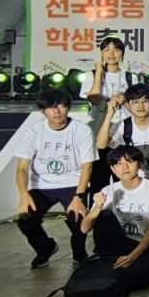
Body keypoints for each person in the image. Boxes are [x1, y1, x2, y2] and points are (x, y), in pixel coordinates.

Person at [96, 83, 149, 254]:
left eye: (145, 101)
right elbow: (101, 144)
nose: (141, 106)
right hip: (135, 178)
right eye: (135, 102)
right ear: (128, 104)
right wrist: (110, 114)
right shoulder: (124, 125)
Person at [15, 89, 95, 267]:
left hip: (73, 183)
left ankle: (79, 251)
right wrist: (24, 195)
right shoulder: (34, 132)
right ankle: (45, 248)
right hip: (41, 185)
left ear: (68, 108)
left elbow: (87, 167)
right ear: (42, 111)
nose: (57, 111)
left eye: (61, 106)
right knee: (26, 221)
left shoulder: (82, 130)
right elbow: (22, 168)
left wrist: (78, 197)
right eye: (51, 107)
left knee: (78, 217)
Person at [80, 146, 149, 291]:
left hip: (144, 244)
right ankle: (105, 261)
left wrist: (132, 257)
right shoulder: (107, 190)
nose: (125, 167)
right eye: (118, 163)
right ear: (113, 169)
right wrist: (97, 208)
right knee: (104, 216)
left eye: (130, 162)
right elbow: (84, 228)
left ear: (139, 164)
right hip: (116, 243)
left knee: (142, 280)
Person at [80, 36, 141, 194]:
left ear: (122, 53)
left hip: (123, 135)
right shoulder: (91, 75)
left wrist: (124, 100)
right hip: (99, 133)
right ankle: (97, 208)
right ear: (101, 52)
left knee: (125, 180)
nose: (111, 54)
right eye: (107, 50)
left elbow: (138, 108)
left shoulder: (131, 78)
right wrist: (99, 73)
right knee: (98, 181)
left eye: (116, 49)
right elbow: (94, 99)